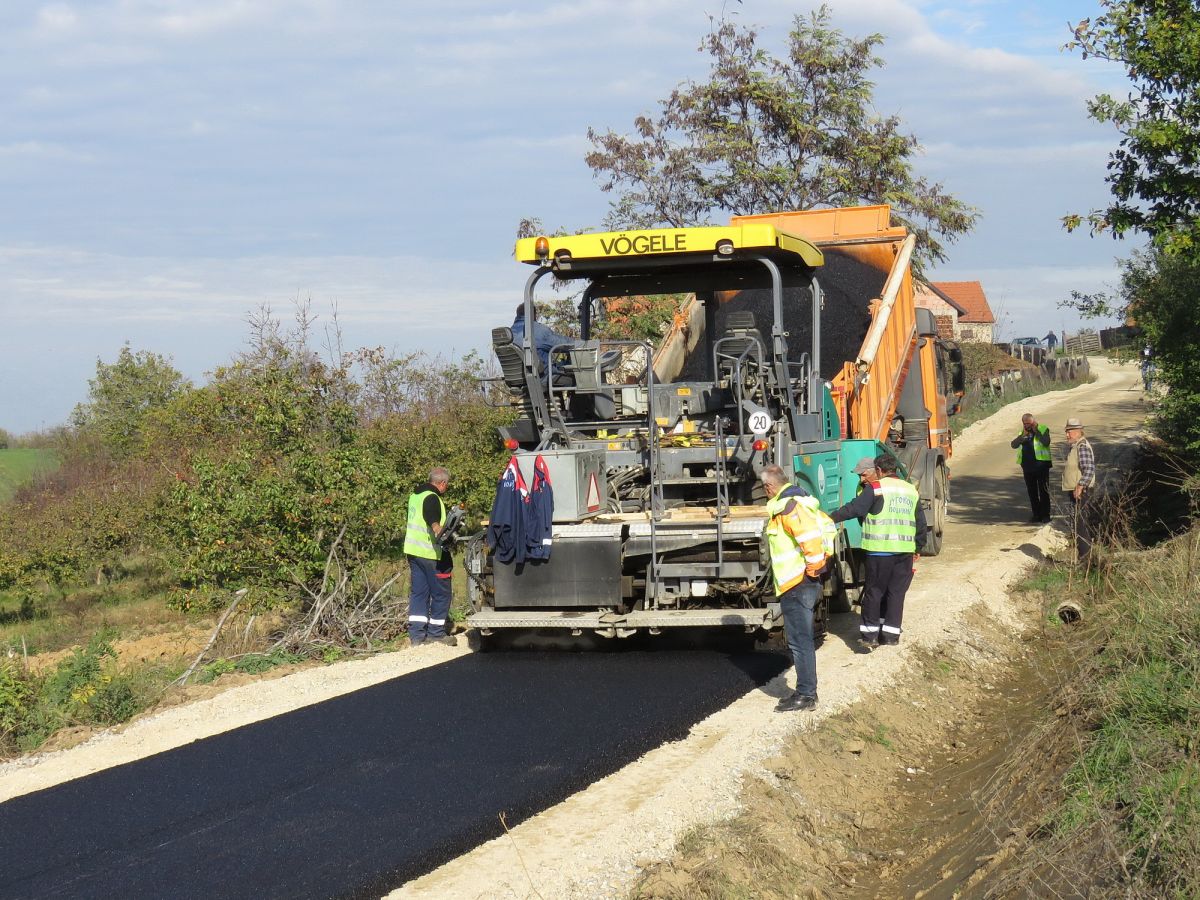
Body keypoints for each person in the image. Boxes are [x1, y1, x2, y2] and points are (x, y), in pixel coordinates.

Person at [829, 455, 927, 650]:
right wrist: (918, 547)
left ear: (879, 471)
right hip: (905, 552)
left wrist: (830, 518)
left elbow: (854, 509)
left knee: (874, 592)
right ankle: (891, 636)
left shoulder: (876, 488)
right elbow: (921, 522)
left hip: (880, 551)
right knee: (896, 594)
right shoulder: (910, 490)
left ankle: (870, 635)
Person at [760, 464, 828, 713]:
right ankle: (806, 692)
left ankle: (807, 695)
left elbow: (810, 539)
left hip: (797, 584)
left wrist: (812, 569)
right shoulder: (801, 501)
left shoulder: (788, 508)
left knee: (800, 642)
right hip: (798, 582)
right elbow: (827, 526)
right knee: (801, 640)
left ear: (770, 486)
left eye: (764, 488)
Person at [404, 467, 457, 647]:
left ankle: (417, 636)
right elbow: (432, 518)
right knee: (441, 593)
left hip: (413, 552)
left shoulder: (415, 496)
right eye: (446, 485)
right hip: (430, 553)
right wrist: (440, 530)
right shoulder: (432, 497)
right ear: (442, 483)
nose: (446, 488)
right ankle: (436, 633)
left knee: (419, 593)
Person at [1061, 418, 1096, 566]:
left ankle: (1085, 560)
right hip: (1077, 490)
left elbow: (1089, 469)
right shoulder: (1076, 446)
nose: (1067, 435)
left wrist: (1080, 486)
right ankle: (1085, 558)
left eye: (1069, 432)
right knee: (1078, 525)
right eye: (1067, 432)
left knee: (1080, 525)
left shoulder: (1082, 447)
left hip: (1081, 491)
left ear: (1078, 431)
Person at [511, 303, 575, 379]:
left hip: (520, 380)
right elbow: (564, 343)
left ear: (517, 315)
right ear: (534, 314)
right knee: (575, 378)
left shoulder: (510, 333)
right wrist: (581, 344)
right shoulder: (536, 330)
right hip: (543, 378)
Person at [1010, 413, 1052, 523]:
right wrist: (1022, 436)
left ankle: (1045, 515)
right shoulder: (1023, 432)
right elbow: (1013, 445)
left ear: (1033, 421)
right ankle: (1036, 515)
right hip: (1028, 467)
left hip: (1042, 466)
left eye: (1029, 423)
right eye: (1025, 424)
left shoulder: (1043, 428)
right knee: (1032, 492)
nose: (1027, 426)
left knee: (1044, 491)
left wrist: (1036, 430)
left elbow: (1046, 442)